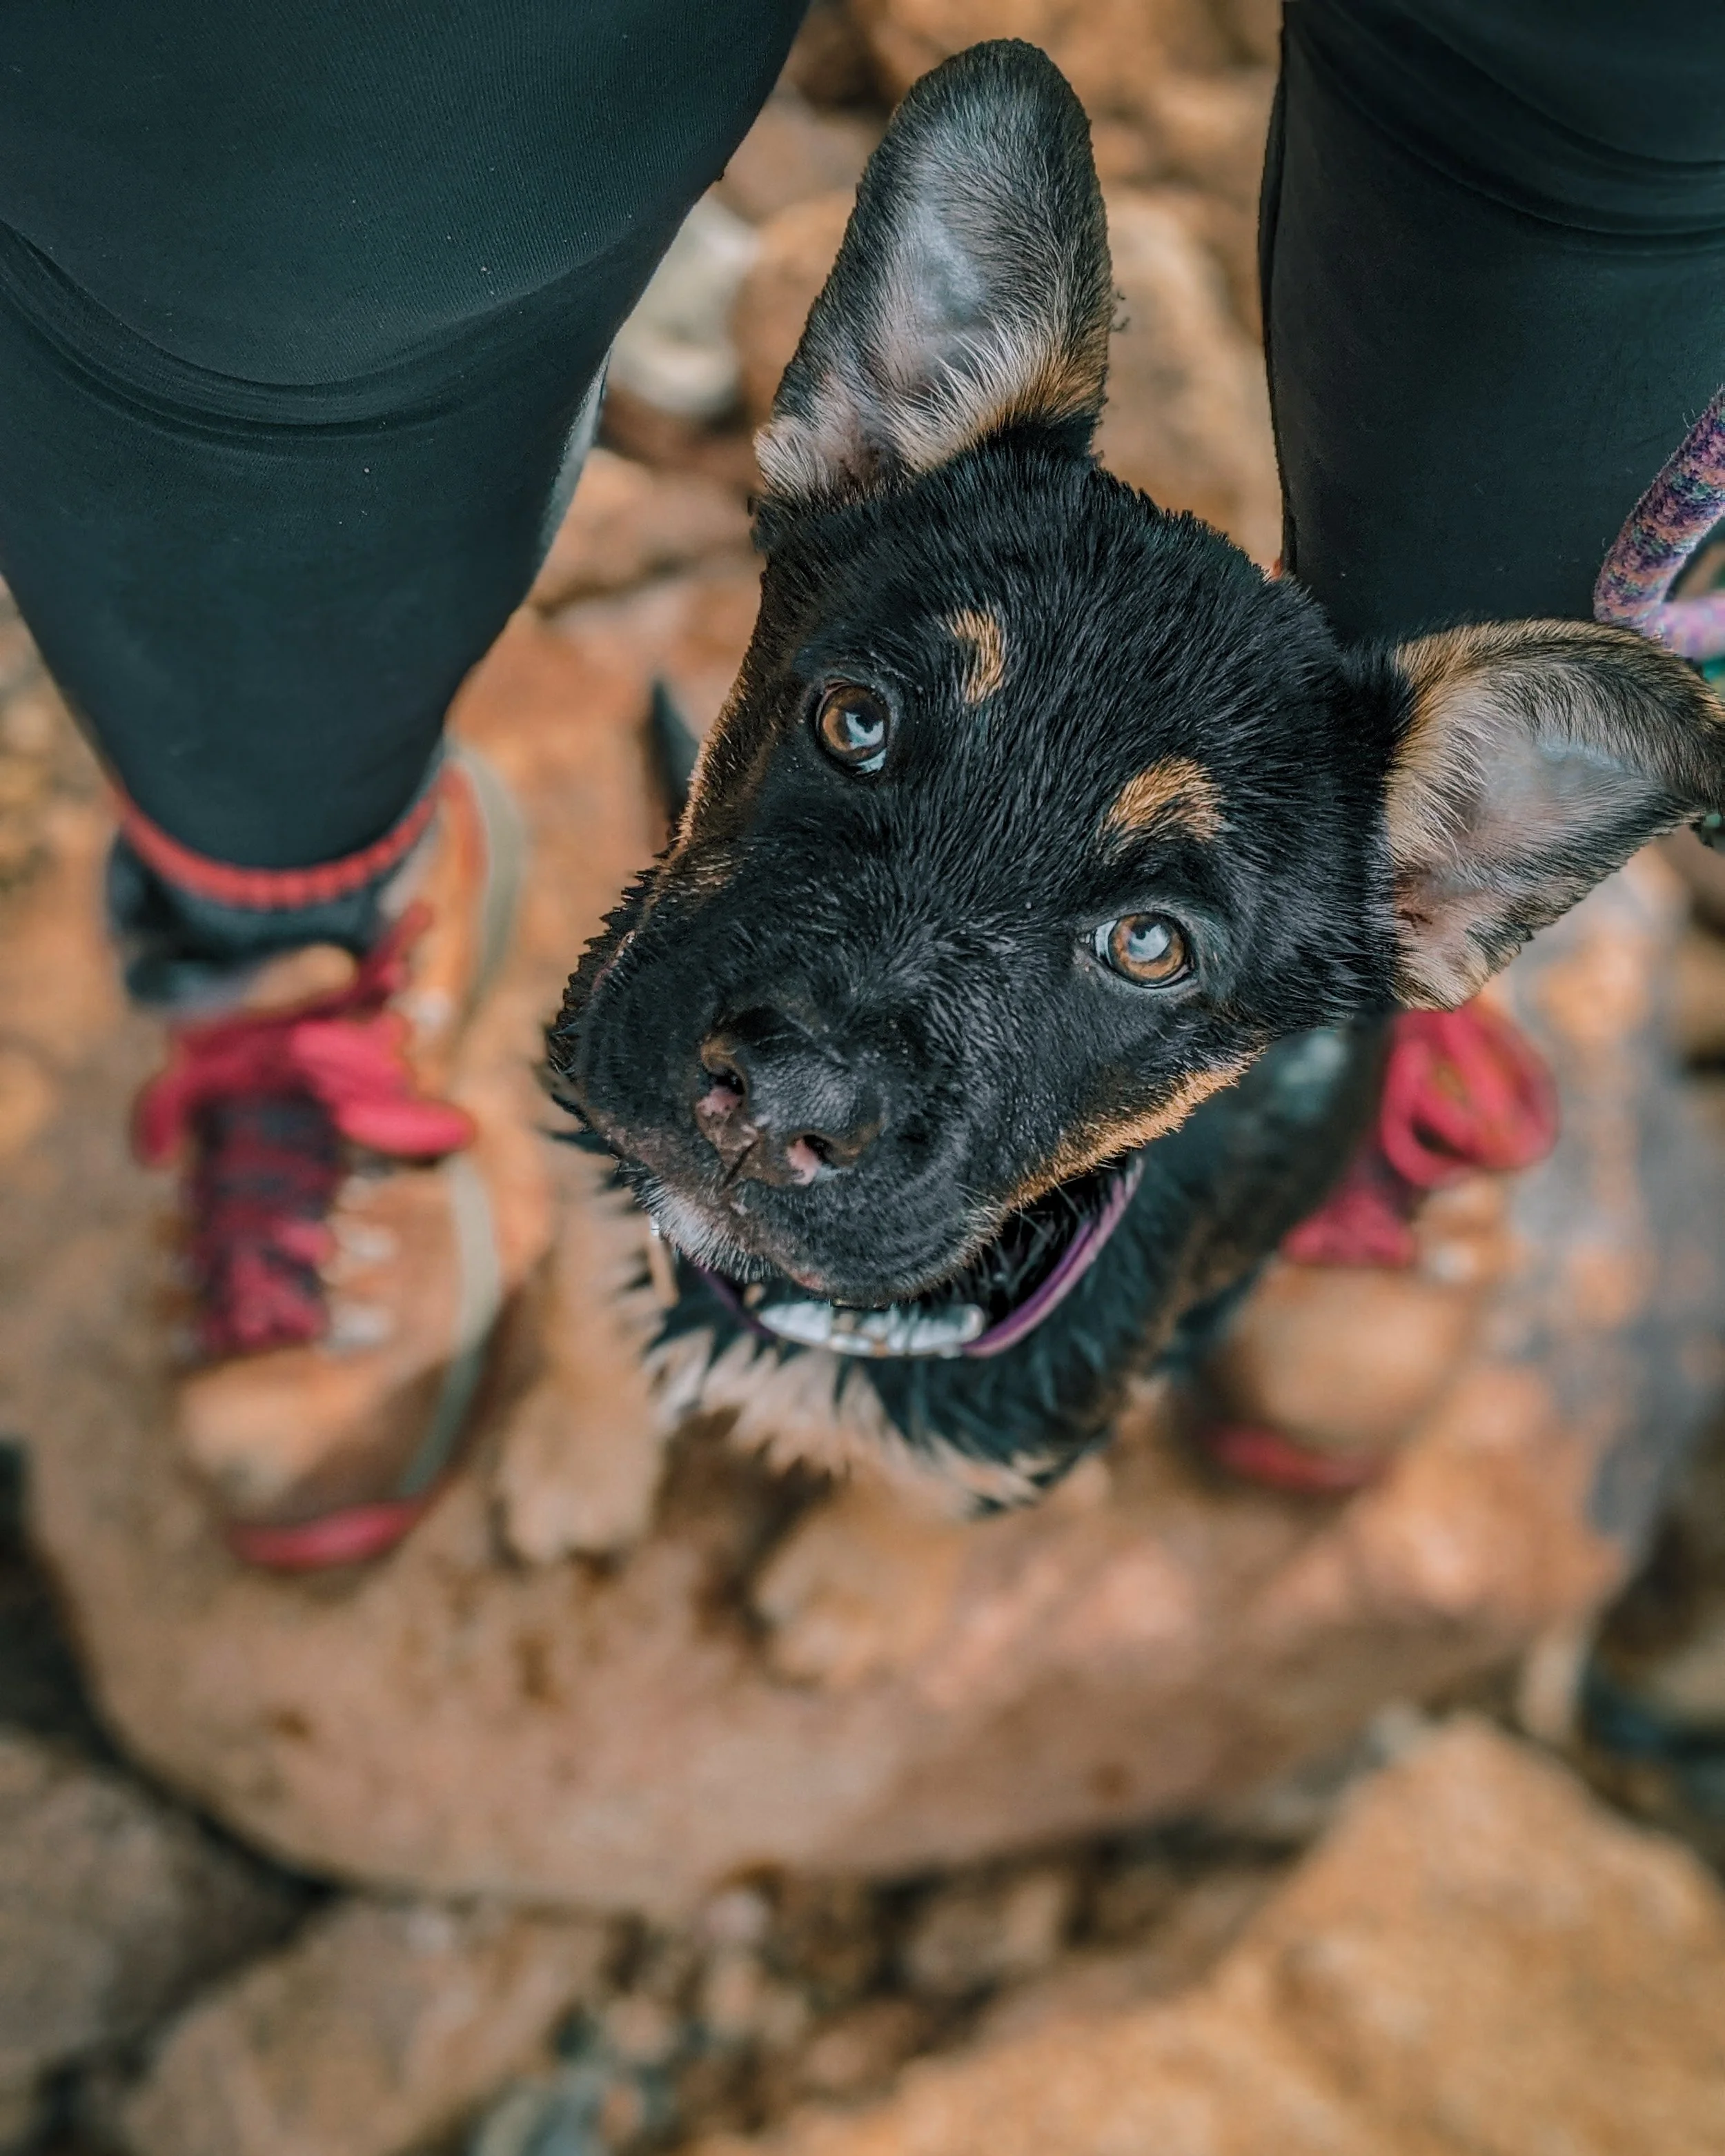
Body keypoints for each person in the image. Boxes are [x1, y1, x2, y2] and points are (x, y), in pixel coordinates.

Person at [1, 0, 1718, 1564]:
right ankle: (292, 936)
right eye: (861, 729)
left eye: (1146, 943)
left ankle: (1352, 1087)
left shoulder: (1374, 860)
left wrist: (912, 1547)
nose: (795, 1083)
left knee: (1612, 121)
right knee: (275, 201)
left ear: (1425, 899)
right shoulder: (900, 476)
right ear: (852, 435)